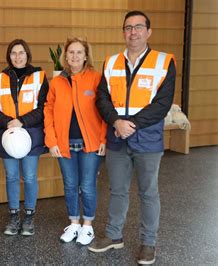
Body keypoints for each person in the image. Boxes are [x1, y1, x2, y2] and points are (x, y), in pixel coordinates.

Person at [88, 11, 176, 265]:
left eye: (138, 27)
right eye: (128, 27)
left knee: (148, 192)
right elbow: (101, 98)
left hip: (147, 139)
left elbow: (162, 103)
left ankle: (148, 243)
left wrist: (132, 124)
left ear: (148, 31)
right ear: (123, 32)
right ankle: (114, 235)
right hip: (117, 137)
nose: (133, 32)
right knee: (117, 190)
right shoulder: (111, 62)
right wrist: (116, 122)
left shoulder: (164, 61)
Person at [44, 36, 106, 245]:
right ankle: (74, 223)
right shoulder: (57, 82)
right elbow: (48, 112)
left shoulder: (96, 78)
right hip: (64, 143)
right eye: (71, 52)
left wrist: (103, 138)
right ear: (65, 56)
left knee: (87, 185)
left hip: (90, 143)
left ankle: (87, 227)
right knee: (70, 185)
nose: (75, 56)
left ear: (86, 56)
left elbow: (107, 109)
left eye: (79, 52)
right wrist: (51, 141)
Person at [0, 39, 48, 236]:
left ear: (27, 55)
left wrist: (22, 121)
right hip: (7, 136)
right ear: (9, 56)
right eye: (14, 53)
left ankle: (29, 217)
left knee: (29, 176)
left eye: (21, 53)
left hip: (32, 135)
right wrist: (8, 123)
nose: (18, 57)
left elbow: (44, 108)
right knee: (11, 177)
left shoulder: (39, 77)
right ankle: (13, 217)